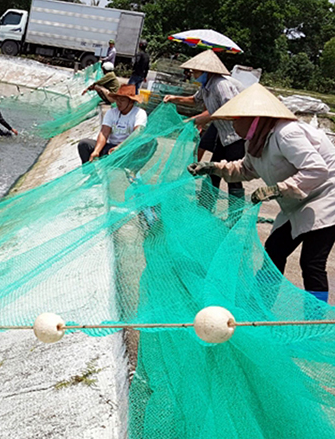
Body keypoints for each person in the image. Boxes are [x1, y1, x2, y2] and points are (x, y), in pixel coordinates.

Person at [188, 83, 335, 303]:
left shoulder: (286, 133)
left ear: (253, 117)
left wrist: (277, 189)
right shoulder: (256, 140)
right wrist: (214, 167)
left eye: (237, 120)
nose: (233, 124)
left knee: (311, 262)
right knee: (273, 251)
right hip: (296, 201)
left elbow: (316, 169)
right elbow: (247, 169)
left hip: (325, 197)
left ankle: (315, 319)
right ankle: (260, 306)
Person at [163, 50, 245, 203]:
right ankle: (205, 205)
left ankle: (235, 215)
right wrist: (175, 99)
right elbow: (194, 100)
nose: (193, 74)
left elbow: (230, 109)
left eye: (196, 71)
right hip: (222, 136)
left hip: (235, 136)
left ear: (206, 71)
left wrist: (201, 119)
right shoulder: (206, 86)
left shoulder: (221, 85)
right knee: (212, 170)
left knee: (233, 175)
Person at [77, 84, 148, 164]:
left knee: (150, 143)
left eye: (122, 100)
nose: (118, 103)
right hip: (111, 149)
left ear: (131, 102)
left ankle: (133, 170)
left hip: (127, 149)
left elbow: (137, 133)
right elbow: (104, 132)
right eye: (117, 100)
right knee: (84, 144)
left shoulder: (139, 113)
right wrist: (97, 150)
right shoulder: (111, 112)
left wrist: (120, 147)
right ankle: (91, 174)